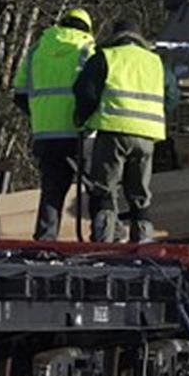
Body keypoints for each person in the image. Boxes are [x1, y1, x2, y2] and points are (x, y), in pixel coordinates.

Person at [74, 19, 177, 244]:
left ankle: (104, 242)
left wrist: (81, 119)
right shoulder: (156, 62)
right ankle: (142, 242)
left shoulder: (107, 57)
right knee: (140, 193)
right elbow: (172, 97)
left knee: (105, 190)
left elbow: (85, 92)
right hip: (147, 136)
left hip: (113, 131)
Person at [12, 7, 95, 240]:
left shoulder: (36, 50)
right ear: (87, 28)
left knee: (51, 192)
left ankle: (44, 240)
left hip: (45, 135)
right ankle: (104, 237)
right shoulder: (88, 49)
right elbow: (93, 92)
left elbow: (19, 94)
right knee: (96, 189)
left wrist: (40, 116)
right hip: (79, 133)